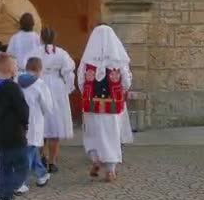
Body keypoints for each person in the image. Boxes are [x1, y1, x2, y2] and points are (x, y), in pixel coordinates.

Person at [77, 24, 132, 183]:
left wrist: (87, 94)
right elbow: (126, 82)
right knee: (111, 134)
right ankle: (110, 170)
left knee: (93, 133)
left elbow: (80, 82)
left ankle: (95, 160)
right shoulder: (118, 60)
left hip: (92, 105)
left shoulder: (87, 60)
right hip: (112, 106)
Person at [26, 28, 75, 173]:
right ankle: (52, 161)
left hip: (38, 82)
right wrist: (68, 88)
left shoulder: (33, 52)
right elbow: (68, 72)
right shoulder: (61, 53)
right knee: (55, 124)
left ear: (40, 38)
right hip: (56, 86)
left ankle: (41, 156)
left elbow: (25, 67)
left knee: (40, 121)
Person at [0, 53, 30, 200]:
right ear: (9, 68)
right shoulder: (12, 87)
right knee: (22, 166)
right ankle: (3, 196)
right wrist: (25, 124)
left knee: (5, 167)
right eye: (15, 65)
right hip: (14, 133)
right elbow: (23, 109)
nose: (17, 67)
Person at [16, 57, 53, 191]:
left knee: (29, 149)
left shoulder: (16, 81)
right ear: (39, 70)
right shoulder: (40, 84)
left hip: (19, 121)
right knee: (29, 150)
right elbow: (47, 106)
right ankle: (22, 183)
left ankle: (42, 174)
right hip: (35, 121)